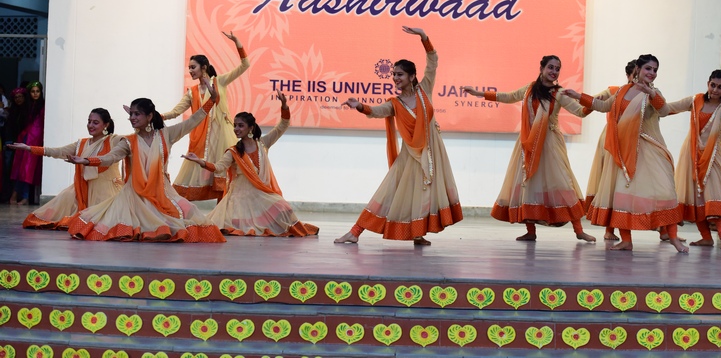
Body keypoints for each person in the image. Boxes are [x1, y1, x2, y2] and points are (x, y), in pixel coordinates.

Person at [334, 27, 462, 246]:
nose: (395, 78)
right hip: (410, 156)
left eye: (400, 74)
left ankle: (417, 233)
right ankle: (354, 232)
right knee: (389, 190)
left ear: (412, 77)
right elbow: (376, 111)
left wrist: (424, 37)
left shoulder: (424, 90)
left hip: (432, 152)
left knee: (424, 194)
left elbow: (433, 61)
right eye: (393, 74)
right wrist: (360, 106)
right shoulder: (396, 104)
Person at [67, 80, 225, 242]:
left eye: (137, 114)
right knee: (143, 220)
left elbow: (192, 122)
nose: (132, 118)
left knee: (190, 211)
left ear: (149, 116)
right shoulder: (129, 141)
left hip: (163, 190)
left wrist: (211, 100)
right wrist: (86, 161)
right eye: (131, 114)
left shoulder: (166, 135)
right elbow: (110, 157)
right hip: (135, 193)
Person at [461, 55, 595, 243]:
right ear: (541, 68)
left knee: (564, 185)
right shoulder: (529, 89)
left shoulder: (560, 93)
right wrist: (479, 94)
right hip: (527, 143)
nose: (554, 72)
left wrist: (592, 102)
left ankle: (579, 231)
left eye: (557, 69)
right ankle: (530, 231)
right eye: (550, 67)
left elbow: (580, 112)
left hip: (550, 145)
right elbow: (508, 97)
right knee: (528, 185)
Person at [565, 54, 688, 253]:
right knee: (623, 196)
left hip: (649, 150)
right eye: (648, 68)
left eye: (655, 70)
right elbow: (603, 106)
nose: (652, 73)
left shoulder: (654, 93)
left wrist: (651, 93)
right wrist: (578, 96)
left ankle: (673, 238)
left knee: (665, 193)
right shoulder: (623, 90)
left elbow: (664, 111)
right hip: (624, 152)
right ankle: (626, 240)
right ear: (638, 69)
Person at [182, 93, 318, 237]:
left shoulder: (263, 144)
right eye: (235, 125)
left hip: (261, 194)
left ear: (251, 128)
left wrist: (284, 105)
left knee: (284, 207)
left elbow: (283, 125)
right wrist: (200, 161)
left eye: (241, 125)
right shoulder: (234, 151)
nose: (236, 129)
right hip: (239, 197)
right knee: (227, 225)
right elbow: (218, 167)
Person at [162, 31, 250, 202]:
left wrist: (237, 43)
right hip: (201, 139)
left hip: (223, 136)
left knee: (226, 178)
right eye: (189, 68)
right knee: (192, 176)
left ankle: (222, 214)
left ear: (204, 67)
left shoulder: (220, 81)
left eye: (193, 67)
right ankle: (182, 212)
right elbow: (175, 112)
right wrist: (155, 116)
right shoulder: (192, 92)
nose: (190, 71)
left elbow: (245, 65)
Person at [668, 70, 721, 249]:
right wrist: (651, 98)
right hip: (691, 155)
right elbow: (670, 108)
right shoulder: (695, 100)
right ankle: (706, 237)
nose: (715, 90)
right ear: (708, 84)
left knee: (714, 196)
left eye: (720, 87)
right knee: (697, 198)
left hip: (712, 157)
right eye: (713, 85)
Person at [10, 108, 123, 230]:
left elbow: (125, 146)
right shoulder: (82, 143)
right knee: (45, 218)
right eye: (89, 121)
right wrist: (29, 148)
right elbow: (58, 151)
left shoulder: (113, 141)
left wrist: (136, 123)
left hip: (107, 192)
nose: (90, 125)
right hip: (83, 188)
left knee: (104, 226)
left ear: (106, 125)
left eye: (95, 123)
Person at [583, 59, 636, 241]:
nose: (637, 79)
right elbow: (593, 102)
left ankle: (664, 230)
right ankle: (609, 230)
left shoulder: (645, 94)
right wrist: (578, 100)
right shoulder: (614, 91)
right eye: (634, 75)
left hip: (633, 142)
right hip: (612, 140)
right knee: (611, 184)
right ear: (628, 75)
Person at [10, 81, 45, 205]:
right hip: (25, 137)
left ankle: (23, 196)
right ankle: (16, 195)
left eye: (37, 91)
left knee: (28, 168)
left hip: (35, 140)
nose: (35, 94)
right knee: (20, 167)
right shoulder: (27, 106)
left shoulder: (43, 106)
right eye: (33, 91)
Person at [1, 87, 26, 202]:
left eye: (20, 97)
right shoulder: (12, 112)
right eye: (16, 97)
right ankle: (8, 195)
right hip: (11, 143)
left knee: (21, 170)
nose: (18, 99)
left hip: (23, 143)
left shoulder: (27, 111)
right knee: (9, 170)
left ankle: (18, 195)